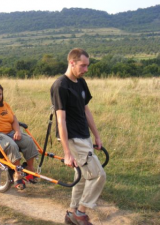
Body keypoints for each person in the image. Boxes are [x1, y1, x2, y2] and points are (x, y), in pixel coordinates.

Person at [50, 48, 106, 225]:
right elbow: (61, 120)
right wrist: (67, 152)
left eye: (87, 66)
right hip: (73, 138)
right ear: (71, 62)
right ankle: (81, 213)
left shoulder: (81, 83)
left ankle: (71, 212)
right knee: (98, 175)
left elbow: (86, 110)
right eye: (83, 66)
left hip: (85, 136)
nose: (86, 70)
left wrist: (96, 136)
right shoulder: (60, 85)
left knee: (82, 176)